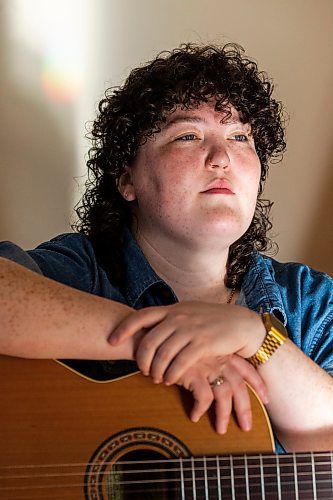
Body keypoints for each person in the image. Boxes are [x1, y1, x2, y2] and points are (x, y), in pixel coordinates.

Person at [0, 43, 332, 455]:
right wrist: (156, 342)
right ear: (127, 180)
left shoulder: (311, 303)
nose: (222, 156)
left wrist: (256, 337)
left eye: (240, 136)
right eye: (188, 135)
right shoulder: (85, 272)